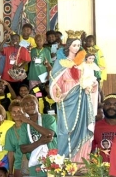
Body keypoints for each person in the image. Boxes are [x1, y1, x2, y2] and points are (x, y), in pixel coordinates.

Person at [50, 31, 98, 160]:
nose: (77, 48)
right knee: (66, 129)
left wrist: (92, 85)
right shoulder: (60, 62)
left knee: (82, 127)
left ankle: (81, 160)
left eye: (79, 45)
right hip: (66, 98)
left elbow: (91, 78)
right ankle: (65, 160)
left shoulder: (84, 62)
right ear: (68, 46)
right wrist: (58, 92)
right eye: (74, 45)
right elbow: (54, 81)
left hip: (82, 97)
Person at [93, 94, 116, 161]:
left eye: (115, 104)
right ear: (103, 106)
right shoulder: (95, 127)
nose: (111, 106)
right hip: (101, 170)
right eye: (108, 104)